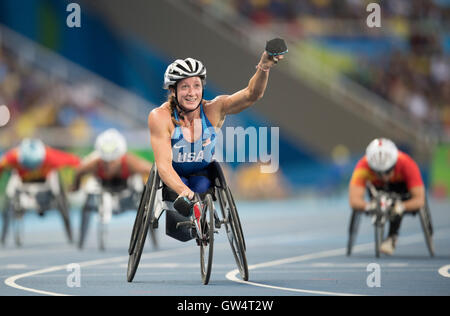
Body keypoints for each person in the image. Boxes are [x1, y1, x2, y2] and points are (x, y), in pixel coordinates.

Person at [147, 44, 286, 214]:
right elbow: (163, 166)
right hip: (175, 177)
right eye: (184, 87)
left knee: (202, 187)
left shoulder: (214, 109)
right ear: (173, 91)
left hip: (203, 176)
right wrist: (183, 191)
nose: (192, 93)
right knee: (182, 213)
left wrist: (264, 65)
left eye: (196, 86)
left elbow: (252, 94)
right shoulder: (160, 117)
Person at [348, 138, 426, 255]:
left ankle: (392, 236)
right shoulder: (362, 166)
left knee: (397, 205)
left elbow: (419, 200)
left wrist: (401, 206)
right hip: (375, 188)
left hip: (401, 189)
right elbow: (354, 200)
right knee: (375, 199)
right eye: (378, 173)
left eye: (388, 171)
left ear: (394, 164)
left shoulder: (407, 164)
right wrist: (369, 206)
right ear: (371, 166)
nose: (384, 177)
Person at [72, 128, 153, 194]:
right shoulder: (94, 163)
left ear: (120, 158)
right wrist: (75, 187)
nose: (109, 166)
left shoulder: (130, 162)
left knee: (138, 182)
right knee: (90, 186)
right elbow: (79, 171)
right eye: (105, 162)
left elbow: (152, 170)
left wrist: (149, 189)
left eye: (112, 162)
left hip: (127, 185)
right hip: (101, 184)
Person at [0, 138, 80, 183]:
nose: (31, 170)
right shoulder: (13, 157)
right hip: (22, 180)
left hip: (45, 180)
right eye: (28, 166)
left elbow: (75, 161)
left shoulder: (50, 157)